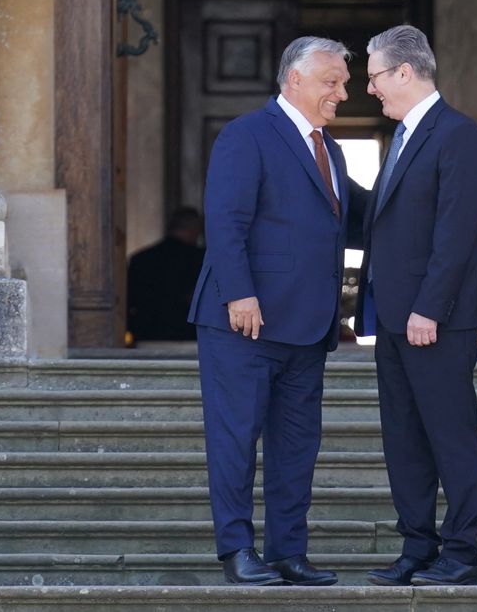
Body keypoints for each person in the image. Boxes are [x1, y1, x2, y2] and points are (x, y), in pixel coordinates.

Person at [188, 36, 367, 586]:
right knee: (235, 440)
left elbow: (362, 218)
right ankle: (237, 550)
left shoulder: (331, 150)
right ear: (294, 80)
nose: (342, 92)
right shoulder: (247, 135)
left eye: (344, 82)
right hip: (245, 321)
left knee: (296, 448)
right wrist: (240, 294)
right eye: (331, 82)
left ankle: (289, 551)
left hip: (309, 326)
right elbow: (225, 221)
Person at [355, 25, 477, 587]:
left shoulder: (458, 134)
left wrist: (429, 309)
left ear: (405, 72)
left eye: (374, 77)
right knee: (404, 436)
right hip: (393, 315)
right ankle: (417, 546)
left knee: (449, 433)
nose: (370, 89)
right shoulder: (406, 135)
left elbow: (456, 231)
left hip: (437, 317)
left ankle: (460, 553)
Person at [126, 207, 205, 342]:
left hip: (145, 333)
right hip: (187, 334)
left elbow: (129, 299)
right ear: (195, 229)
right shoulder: (200, 259)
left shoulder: (141, 259)